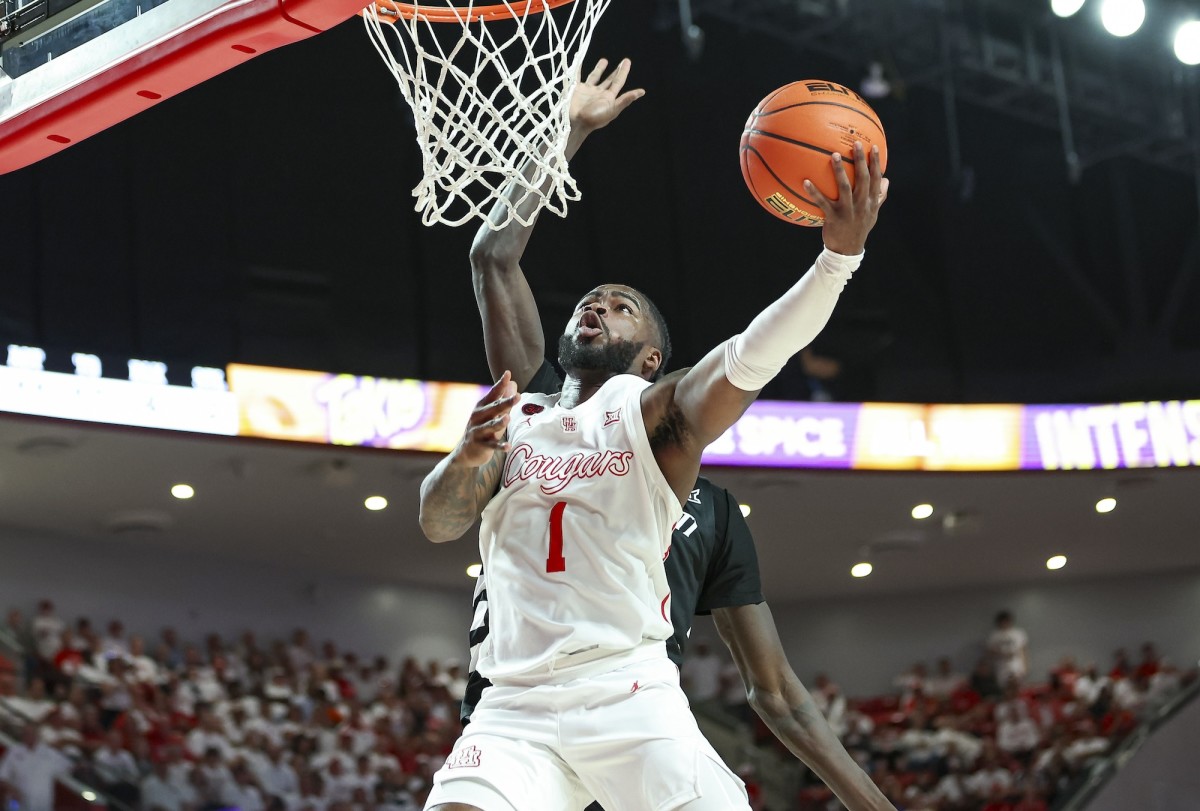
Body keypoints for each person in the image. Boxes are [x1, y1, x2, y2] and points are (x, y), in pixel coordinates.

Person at [419, 56, 888, 811]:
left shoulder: (656, 418)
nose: (597, 304)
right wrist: (563, 132)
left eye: (622, 306)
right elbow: (491, 256)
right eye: (592, 299)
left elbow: (752, 353)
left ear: (652, 357)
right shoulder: (517, 415)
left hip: (628, 694)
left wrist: (839, 259)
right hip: (512, 707)